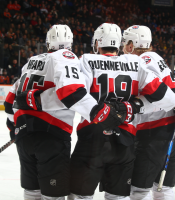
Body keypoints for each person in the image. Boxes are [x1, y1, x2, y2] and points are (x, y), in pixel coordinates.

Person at [4, 24, 125, 200]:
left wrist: (13, 126)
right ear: (69, 43)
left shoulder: (31, 62)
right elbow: (71, 92)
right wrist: (100, 112)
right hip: (51, 135)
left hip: (24, 135)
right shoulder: (66, 56)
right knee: (54, 195)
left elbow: (9, 101)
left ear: (48, 43)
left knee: (31, 192)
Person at [68, 23, 175, 200]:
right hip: (124, 140)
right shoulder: (135, 63)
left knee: (79, 195)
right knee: (118, 197)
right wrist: (132, 107)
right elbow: (170, 99)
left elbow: (72, 94)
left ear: (97, 43)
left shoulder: (86, 60)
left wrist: (103, 111)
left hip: (92, 137)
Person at [122, 25, 175, 200]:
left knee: (138, 192)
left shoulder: (142, 60)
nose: (123, 48)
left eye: (125, 43)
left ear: (131, 45)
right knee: (163, 190)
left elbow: (159, 96)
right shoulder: (156, 58)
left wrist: (133, 107)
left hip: (155, 136)